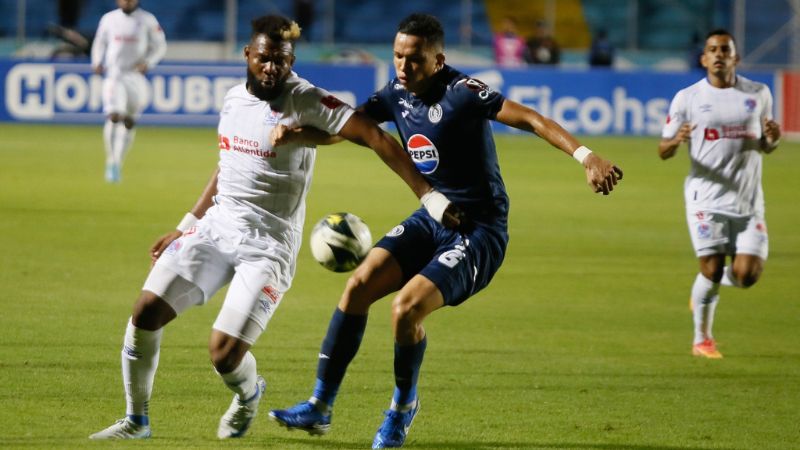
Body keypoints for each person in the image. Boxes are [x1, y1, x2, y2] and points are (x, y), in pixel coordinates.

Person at [88, 14, 460, 440]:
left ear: (291, 61)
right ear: (248, 55)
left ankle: (248, 394)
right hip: (216, 229)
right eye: (264, 59)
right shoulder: (232, 101)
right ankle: (137, 421)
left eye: (281, 61)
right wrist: (187, 224)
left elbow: (375, 137)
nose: (272, 68)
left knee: (223, 354)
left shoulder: (308, 100)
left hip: (268, 246)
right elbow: (227, 165)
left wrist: (428, 196)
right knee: (144, 312)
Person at [268, 13, 622, 449]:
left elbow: (529, 118)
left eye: (414, 59)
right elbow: (351, 128)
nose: (403, 66)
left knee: (405, 311)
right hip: (433, 217)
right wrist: (299, 134)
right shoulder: (395, 92)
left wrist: (586, 156)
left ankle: (401, 410)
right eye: (398, 56)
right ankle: (320, 406)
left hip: (478, 231)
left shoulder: (463, 92)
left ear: (438, 60)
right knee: (358, 286)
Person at [658, 29, 781, 359]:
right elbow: (663, 149)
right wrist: (675, 140)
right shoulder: (688, 98)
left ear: (735, 58)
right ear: (703, 58)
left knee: (747, 276)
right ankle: (702, 339)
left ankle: (703, 289)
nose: (718, 55)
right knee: (711, 269)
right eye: (712, 50)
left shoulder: (758, 94)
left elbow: (766, 145)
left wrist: (774, 138)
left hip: (748, 201)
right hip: (705, 199)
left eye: (725, 50)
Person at [90, 0, 166, 183]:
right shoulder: (108, 19)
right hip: (114, 75)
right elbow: (99, 42)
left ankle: (118, 162)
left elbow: (160, 46)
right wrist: (96, 61)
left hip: (135, 77)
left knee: (129, 121)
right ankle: (111, 160)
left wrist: (148, 62)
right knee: (114, 115)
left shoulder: (147, 20)